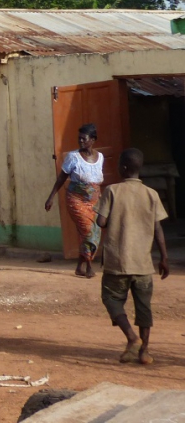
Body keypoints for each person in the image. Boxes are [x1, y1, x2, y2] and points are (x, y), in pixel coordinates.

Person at [95, 148, 170, 365]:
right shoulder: (151, 194)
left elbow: (101, 222)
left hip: (117, 261)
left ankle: (131, 338)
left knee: (111, 299)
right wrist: (164, 258)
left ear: (124, 168)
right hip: (143, 264)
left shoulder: (112, 191)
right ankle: (144, 351)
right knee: (143, 307)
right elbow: (158, 230)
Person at [44, 123, 105, 278]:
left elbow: (96, 182)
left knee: (93, 231)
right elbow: (61, 178)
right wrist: (51, 197)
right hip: (76, 199)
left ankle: (79, 266)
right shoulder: (73, 157)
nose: (81, 142)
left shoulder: (100, 157)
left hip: (95, 201)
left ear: (93, 139)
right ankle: (89, 266)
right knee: (87, 230)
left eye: (84, 139)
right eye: (79, 139)